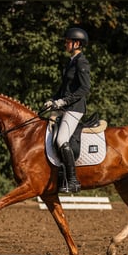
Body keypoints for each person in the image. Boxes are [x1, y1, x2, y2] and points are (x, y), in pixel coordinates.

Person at [43, 27, 91, 193]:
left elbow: (84, 88)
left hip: (75, 108)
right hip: (64, 107)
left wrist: (63, 101)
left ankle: (72, 180)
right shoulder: (70, 62)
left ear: (76, 43)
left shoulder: (81, 62)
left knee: (61, 139)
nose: (65, 44)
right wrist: (53, 100)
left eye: (68, 41)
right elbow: (64, 88)